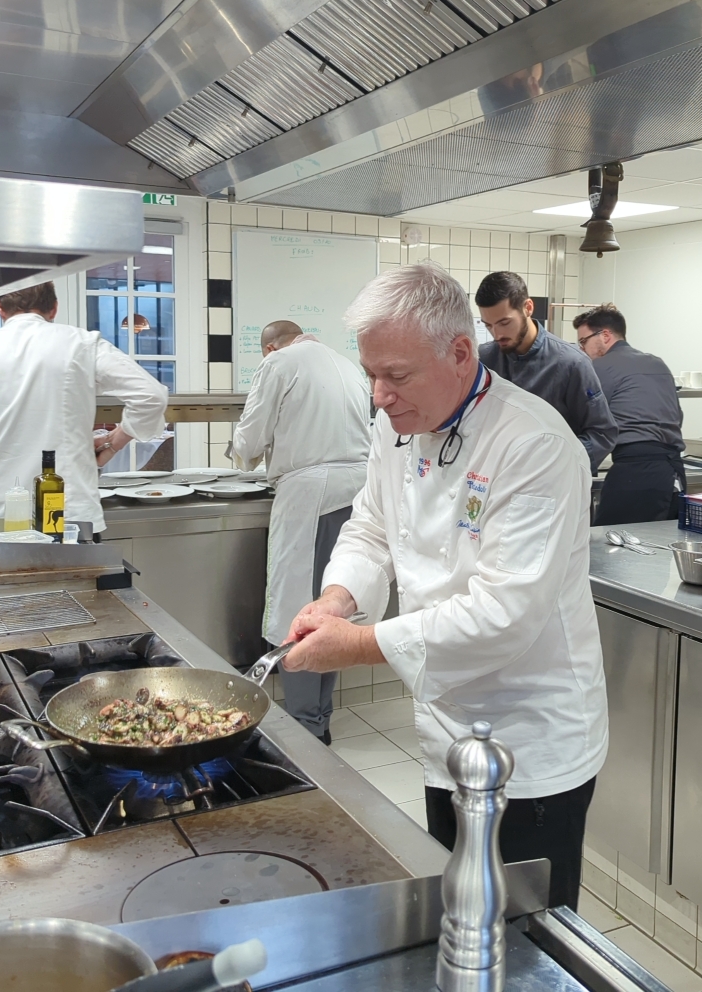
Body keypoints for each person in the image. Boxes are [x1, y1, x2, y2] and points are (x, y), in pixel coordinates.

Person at [281, 264, 608, 910]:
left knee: (523, 943)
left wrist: (360, 643)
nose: (378, 394)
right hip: (444, 735)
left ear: (461, 353)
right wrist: (337, 598)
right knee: (456, 918)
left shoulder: (535, 445)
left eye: (395, 376)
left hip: (530, 746)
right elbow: (371, 526)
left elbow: (504, 615)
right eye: (371, 373)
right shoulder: (394, 425)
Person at [0, 281, 168, 537]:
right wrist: (115, 441)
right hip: (70, 516)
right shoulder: (82, 344)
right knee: (73, 578)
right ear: (54, 308)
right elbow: (152, 396)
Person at [231, 320, 371, 745]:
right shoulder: (348, 365)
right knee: (331, 607)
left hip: (311, 494)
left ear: (271, 347)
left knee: (300, 610)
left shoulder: (279, 363)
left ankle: (304, 729)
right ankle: (320, 720)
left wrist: (240, 456)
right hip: (360, 489)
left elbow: (251, 434)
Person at [474, 271, 616, 474]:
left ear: (528, 308)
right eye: (489, 325)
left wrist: (552, 462)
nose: (497, 334)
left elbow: (602, 433)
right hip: (495, 480)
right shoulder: (483, 360)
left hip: (553, 481)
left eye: (505, 323)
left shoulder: (571, 363)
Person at [572, 304, 687, 525]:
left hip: (636, 473)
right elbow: (677, 416)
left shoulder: (601, 366)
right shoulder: (657, 362)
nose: (583, 349)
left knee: (609, 545)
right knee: (658, 548)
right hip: (672, 473)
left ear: (605, 335)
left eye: (583, 341)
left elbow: (583, 417)